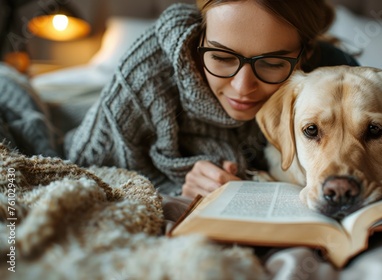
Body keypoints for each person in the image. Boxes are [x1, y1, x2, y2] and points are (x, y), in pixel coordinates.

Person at [65, 0, 358, 198]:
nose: (243, 87)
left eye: (271, 63)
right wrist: (179, 187)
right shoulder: (148, 72)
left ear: (303, 56)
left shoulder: (327, 73)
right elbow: (81, 167)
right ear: (199, 38)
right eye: (221, 57)